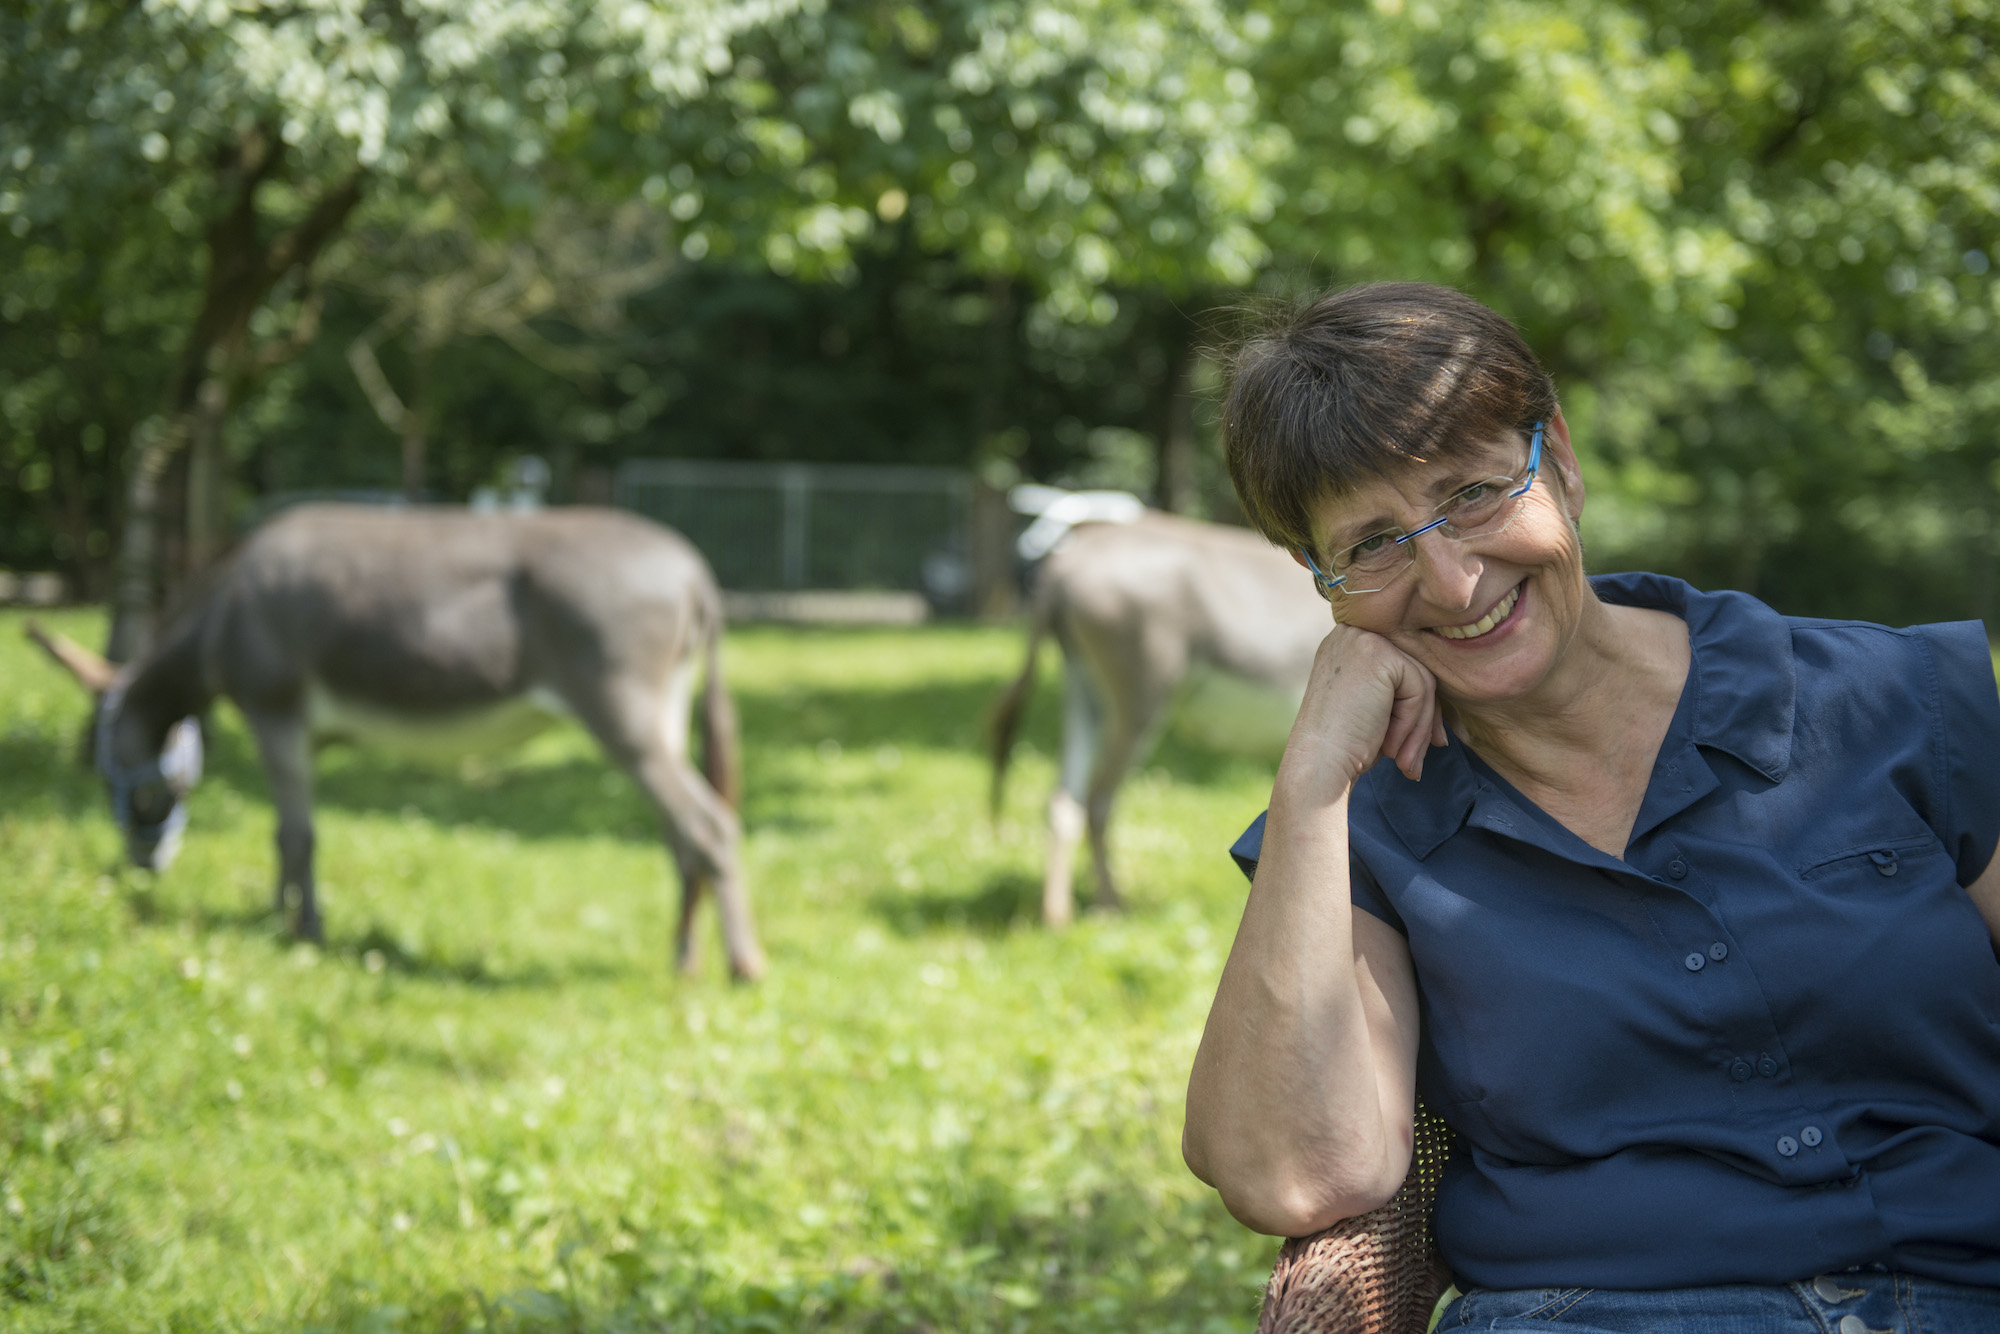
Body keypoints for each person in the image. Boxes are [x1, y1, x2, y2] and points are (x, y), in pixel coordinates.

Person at [1181, 281, 2000, 1331]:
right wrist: (1307, 790)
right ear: (1317, 579)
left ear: (1556, 458)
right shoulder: (1371, 823)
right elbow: (1294, 1174)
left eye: (1473, 490)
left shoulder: (1895, 697)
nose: (1451, 578)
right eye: (1371, 543)